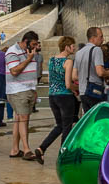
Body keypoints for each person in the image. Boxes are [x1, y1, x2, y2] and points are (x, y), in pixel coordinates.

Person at [29, 36, 77, 164]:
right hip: (65, 97)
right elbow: (68, 84)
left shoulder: (51, 60)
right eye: (72, 46)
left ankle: (41, 148)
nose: (74, 48)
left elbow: (52, 79)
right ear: (66, 47)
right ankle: (63, 156)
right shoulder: (68, 62)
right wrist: (76, 88)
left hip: (52, 96)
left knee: (60, 125)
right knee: (67, 127)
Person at [5, 30, 40, 158]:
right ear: (26, 42)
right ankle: (26, 149)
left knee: (19, 119)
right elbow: (14, 71)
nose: (36, 47)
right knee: (24, 119)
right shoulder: (12, 51)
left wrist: (34, 90)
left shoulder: (30, 52)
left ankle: (15, 149)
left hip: (28, 89)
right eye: (34, 44)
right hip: (17, 90)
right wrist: (29, 59)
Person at [74, 27, 109, 112]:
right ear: (93, 38)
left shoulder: (78, 53)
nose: (103, 39)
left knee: (90, 120)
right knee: (99, 119)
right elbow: (100, 72)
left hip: (83, 92)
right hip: (95, 92)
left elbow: (74, 76)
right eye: (101, 36)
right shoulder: (97, 50)